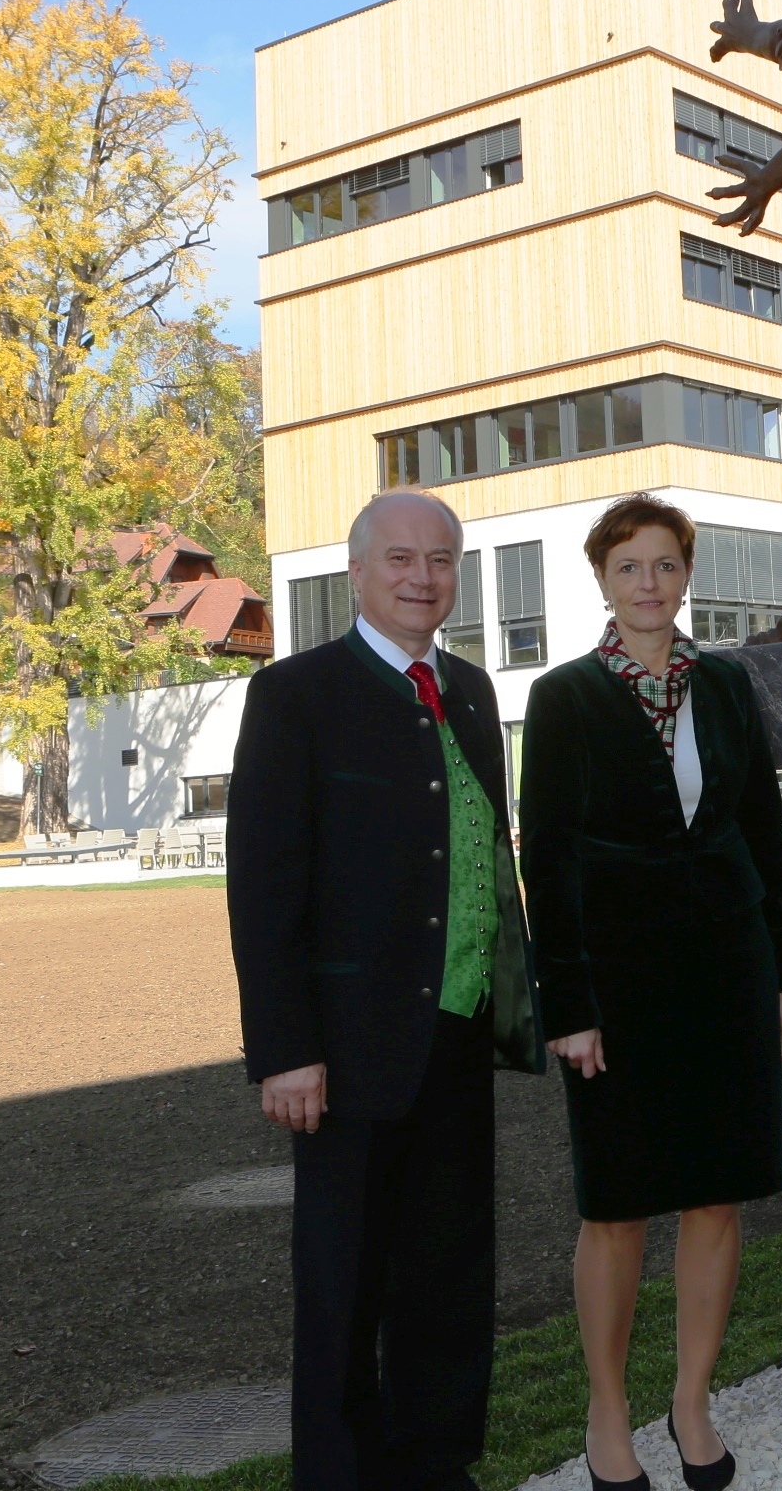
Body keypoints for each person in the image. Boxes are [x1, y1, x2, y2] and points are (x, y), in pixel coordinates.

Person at [227, 490, 544, 1491]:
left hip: (456, 1034)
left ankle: (435, 1470)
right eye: (400, 558)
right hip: (347, 1049)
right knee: (344, 1286)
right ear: (357, 573)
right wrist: (285, 1049)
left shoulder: (472, 691)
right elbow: (264, 886)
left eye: (440, 559)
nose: (422, 576)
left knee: (448, 1276)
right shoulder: (296, 695)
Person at [521, 495, 782, 1491]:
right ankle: (607, 1411)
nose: (650, 584)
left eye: (666, 565)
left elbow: (761, 835)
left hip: (728, 972)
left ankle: (691, 1401)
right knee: (617, 1206)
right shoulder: (563, 698)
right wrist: (567, 1004)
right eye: (629, 567)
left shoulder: (726, 685)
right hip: (617, 986)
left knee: (716, 1195)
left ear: (688, 576)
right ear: (602, 580)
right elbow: (547, 858)